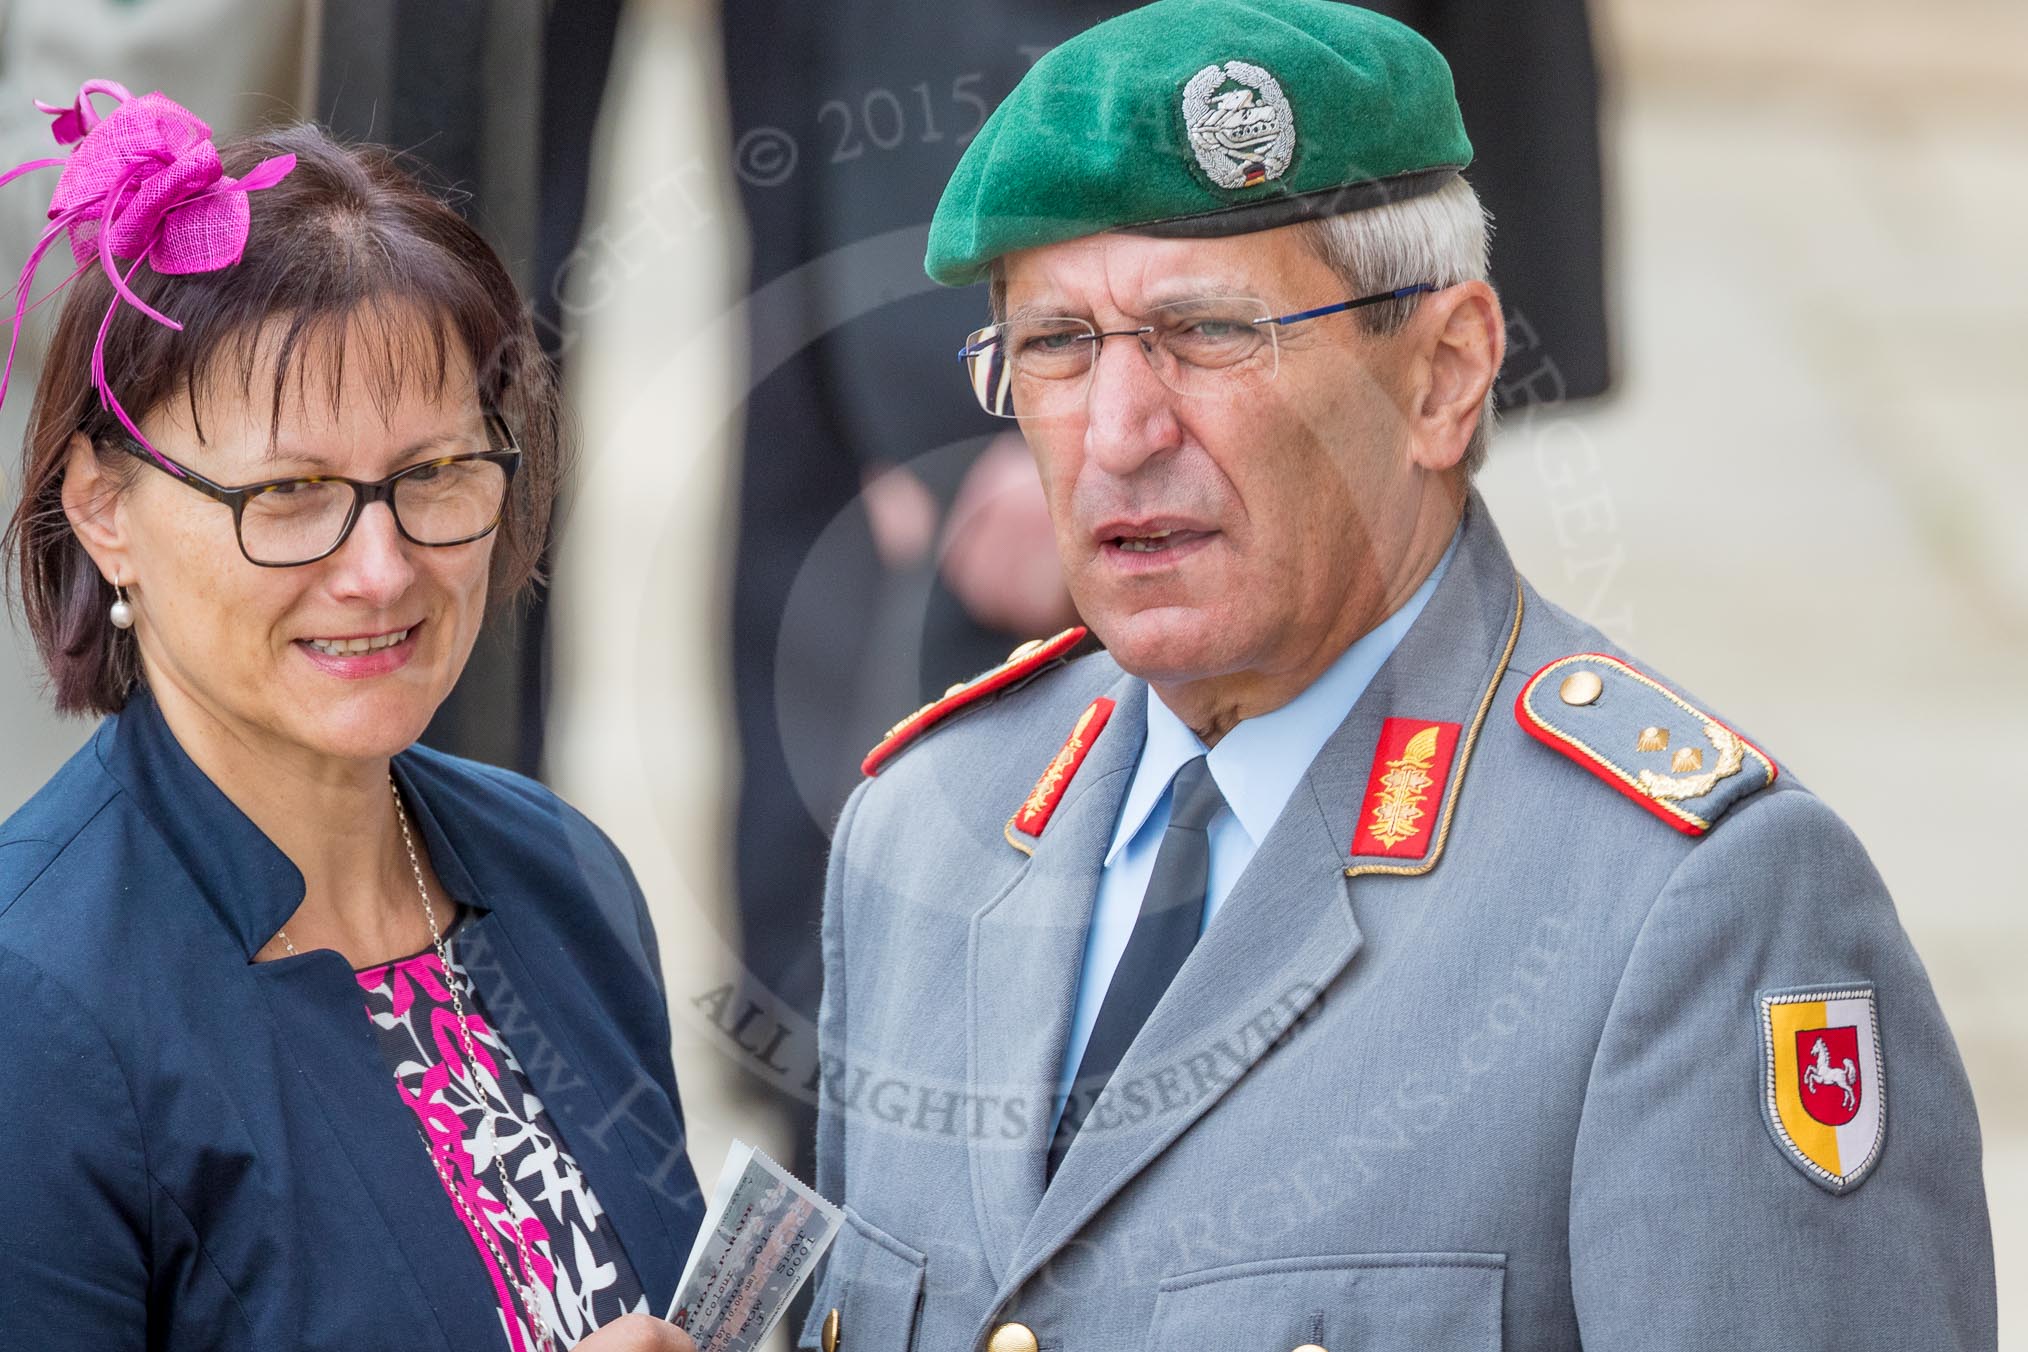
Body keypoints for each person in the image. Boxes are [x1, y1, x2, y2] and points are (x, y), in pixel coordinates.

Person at [798, 3, 1998, 1350]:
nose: (1119, 434)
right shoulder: (926, 833)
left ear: (1444, 375)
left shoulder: (1689, 908)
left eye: (1208, 334)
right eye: (1057, 347)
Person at [0, 85, 700, 1351]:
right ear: (102, 506)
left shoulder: (564, 874)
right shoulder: (33, 1005)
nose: (380, 568)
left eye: (433, 474)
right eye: (290, 493)